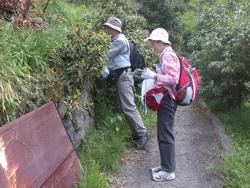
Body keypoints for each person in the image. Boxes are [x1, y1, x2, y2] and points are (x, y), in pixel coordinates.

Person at [102, 16, 148, 149]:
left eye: (108, 27)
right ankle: (136, 133)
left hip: (123, 77)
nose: (106, 30)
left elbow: (106, 55)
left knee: (128, 106)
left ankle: (141, 133)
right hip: (122, 76)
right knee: (126, 106)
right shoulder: (116, 39)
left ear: (114, 29)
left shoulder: (120, 41)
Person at [141, 28, 180, 181]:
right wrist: (154, 73)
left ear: (160, 42)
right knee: (163, 133)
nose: (152, 47)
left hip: (168, 100)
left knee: (166, 134)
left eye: (153, 43)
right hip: (167, 99)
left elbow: (173, 79)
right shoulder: (166, 54)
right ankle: (165, 166)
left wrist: (155, 75)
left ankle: (169, 171)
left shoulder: (168, 55)